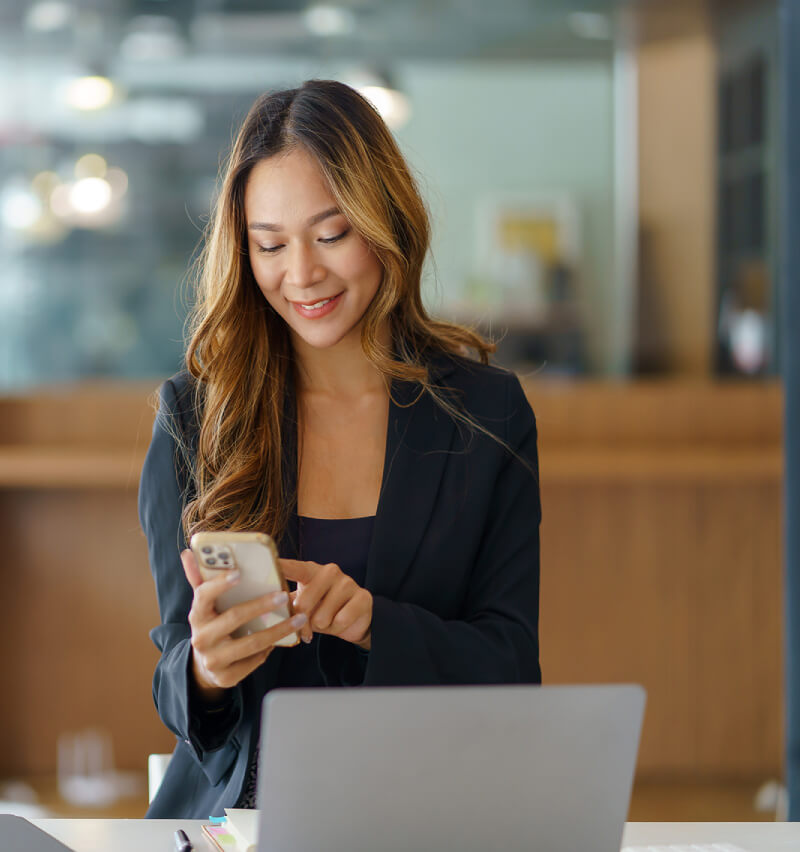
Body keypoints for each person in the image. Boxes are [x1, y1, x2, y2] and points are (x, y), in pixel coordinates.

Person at [138, 79, 541, 820]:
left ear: (386, 220)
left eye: (330, 235)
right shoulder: (196, 418)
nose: (302, 274)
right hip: (241, 823)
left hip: (424, 815)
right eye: (269, 245)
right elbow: (176, 684)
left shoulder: (485, 416)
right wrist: (205, 669)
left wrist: (370, 622)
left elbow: (512, 667)